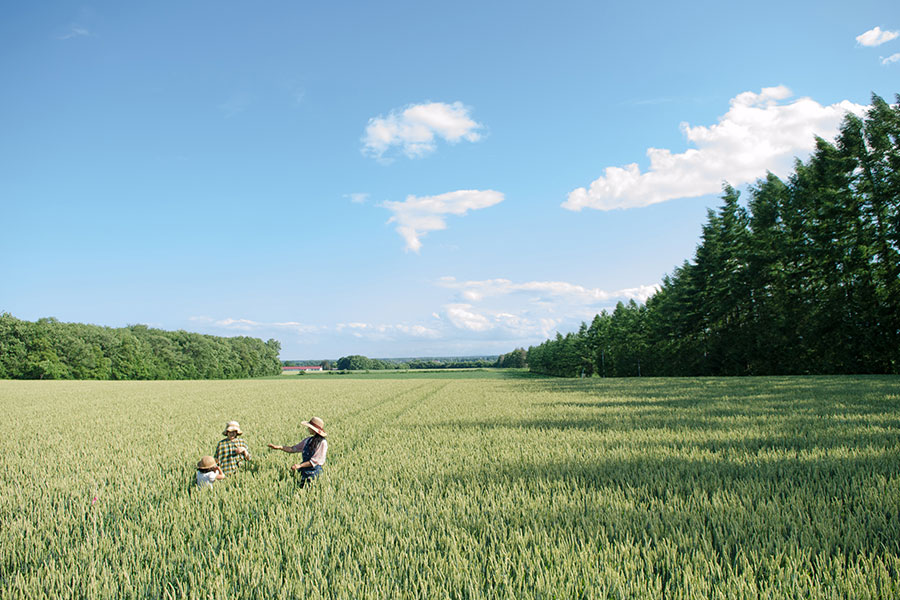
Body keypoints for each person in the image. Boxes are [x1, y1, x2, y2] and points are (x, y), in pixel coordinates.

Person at [268, 417, 328, 488]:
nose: (308, 428)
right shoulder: (308, 440)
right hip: (304, 473)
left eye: (309, 427)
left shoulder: (322, 443)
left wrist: (300, 466)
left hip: (315, 474)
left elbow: (315, 461)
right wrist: (280, 447)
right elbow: (293, 449)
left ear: (314, 429)